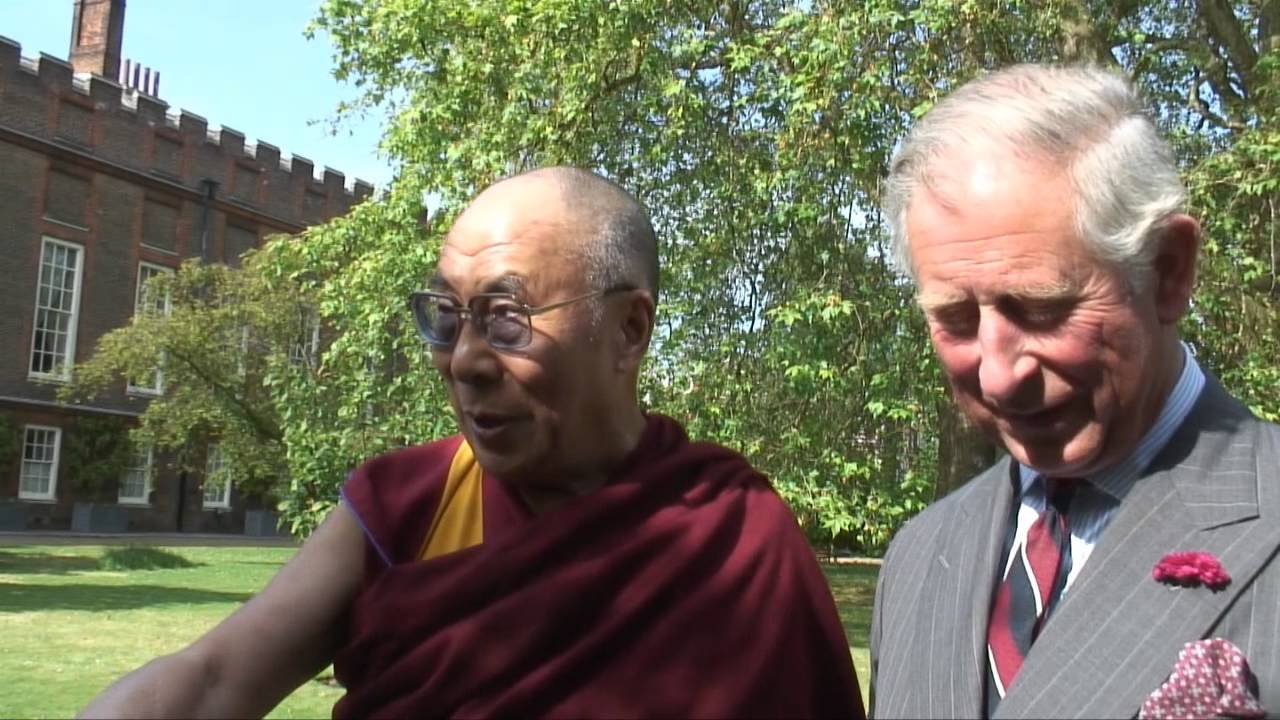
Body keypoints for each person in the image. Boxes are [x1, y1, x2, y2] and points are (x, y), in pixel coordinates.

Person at [81, 166, 865, 719]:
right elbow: (212, 681)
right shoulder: (401, 508)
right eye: (446, 316)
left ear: (628, 330)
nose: (463, 361)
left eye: (506, 317)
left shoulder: (733, 532)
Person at [870, 64, 1280, 719]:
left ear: (1168, 272)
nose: (999, 374)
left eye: (1041, 308)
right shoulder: (919, 558)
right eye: (956, 319)